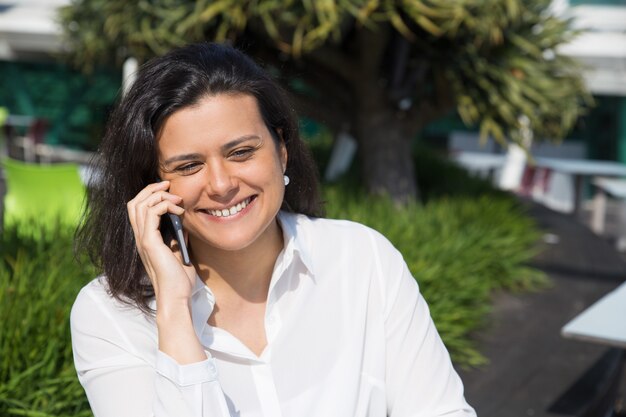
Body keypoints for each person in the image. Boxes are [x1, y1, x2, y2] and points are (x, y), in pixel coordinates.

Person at [71, 42, 476, 417]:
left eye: (242, 152)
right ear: (152, 186)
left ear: (281, 151)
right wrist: (175, 312)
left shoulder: (363, 259)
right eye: (189, 165)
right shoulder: (108, 315)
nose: (222, 184)